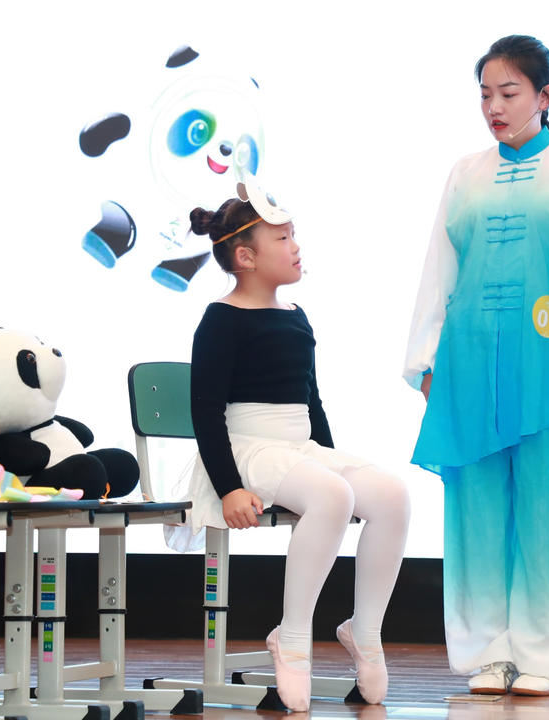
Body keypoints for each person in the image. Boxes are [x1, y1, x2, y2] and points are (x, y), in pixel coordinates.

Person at [403, 35, 549, 696]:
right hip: (468, 360)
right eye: (485, 95)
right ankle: (487, 653)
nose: (494, 108)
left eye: (509, 93)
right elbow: (439, 268)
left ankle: (545, 655)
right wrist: (425, 360)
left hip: (544, 362)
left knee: (547, 509)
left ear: (545, 96)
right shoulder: (465, 173)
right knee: (474, 510)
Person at [184, 180, 410, 712]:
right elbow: (205, 412)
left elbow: (312, 401)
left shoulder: (296, 316)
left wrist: (331, 462)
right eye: (283, 238)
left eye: (293, 235)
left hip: (298, 448)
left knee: (392, 496)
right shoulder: (221, 320)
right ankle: (292, 636)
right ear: (246, 257)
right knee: (332, 496)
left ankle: (365, 631)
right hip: (246, 449)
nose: (296, 246)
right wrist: (229, 487)